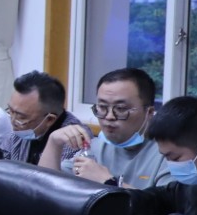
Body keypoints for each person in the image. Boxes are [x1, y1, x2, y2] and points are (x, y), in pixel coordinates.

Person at [38, 67, 171, 189]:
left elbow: (166, 205)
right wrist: (53, 143)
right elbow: (45, 188)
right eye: (102, 107)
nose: (109, 116)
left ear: (148, 112)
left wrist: (108, 181)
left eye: (120, 108)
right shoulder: (95, 146)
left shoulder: (168, 153)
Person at [3, 69, 83, 166]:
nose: (13, 121)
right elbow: (0, 165)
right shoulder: (19, 132)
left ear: (49, 119)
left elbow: (49, 175)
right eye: (10, 111)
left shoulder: (74, 141)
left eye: (21, 117)